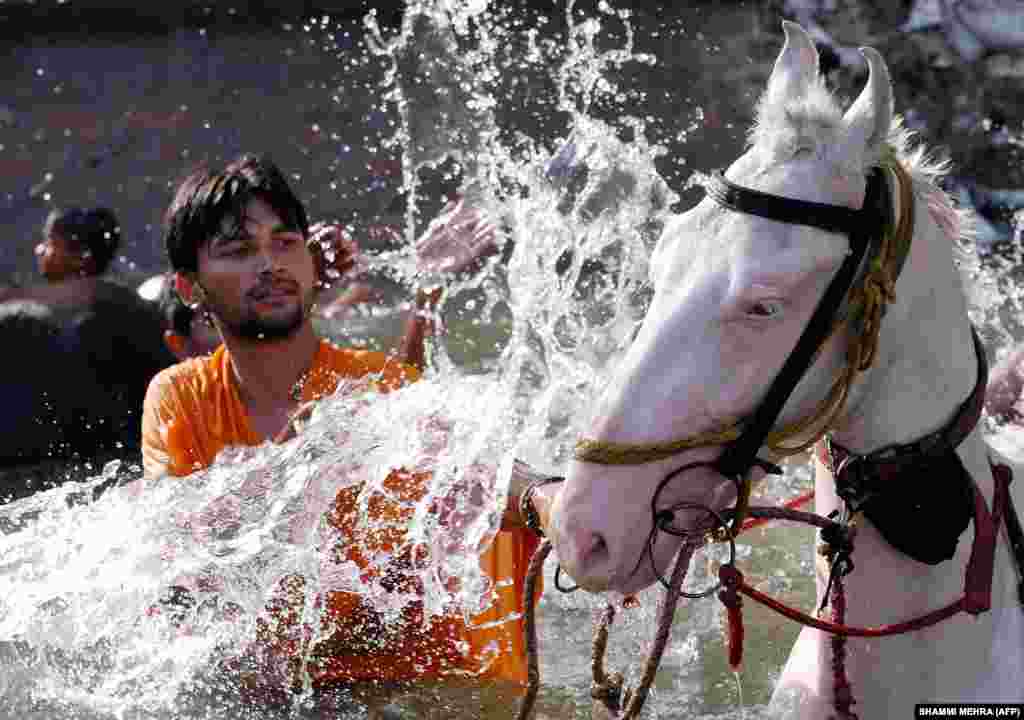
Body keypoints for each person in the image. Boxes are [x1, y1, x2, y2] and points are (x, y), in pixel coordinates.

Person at [140, 153, 559, 693]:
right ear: (190, 288)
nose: (269, 264)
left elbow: (471, 472)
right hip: (266, 686)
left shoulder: (377, 387)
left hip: (409, 684)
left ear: (310, 265)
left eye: (284, 243)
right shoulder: (180, 395)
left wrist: (546, 497)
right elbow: (180, 553)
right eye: (239, 251)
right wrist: (302, 459)